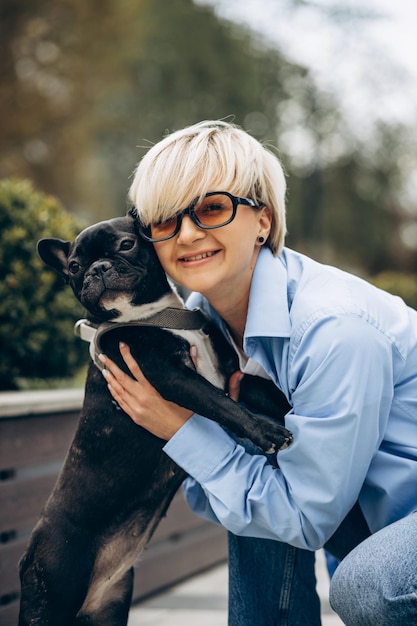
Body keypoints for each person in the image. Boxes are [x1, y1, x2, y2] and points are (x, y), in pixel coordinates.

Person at [99, 120, 417, 625]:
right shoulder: (201, 330)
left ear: (263, 220)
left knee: (367, 586)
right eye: (164, 220)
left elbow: (306, 518)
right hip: (369, 520)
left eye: (212, 208)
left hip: (395, 532)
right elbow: (229, 498)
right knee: (257, 470)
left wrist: (182, 429)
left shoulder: (334, 328)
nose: (186, 234)